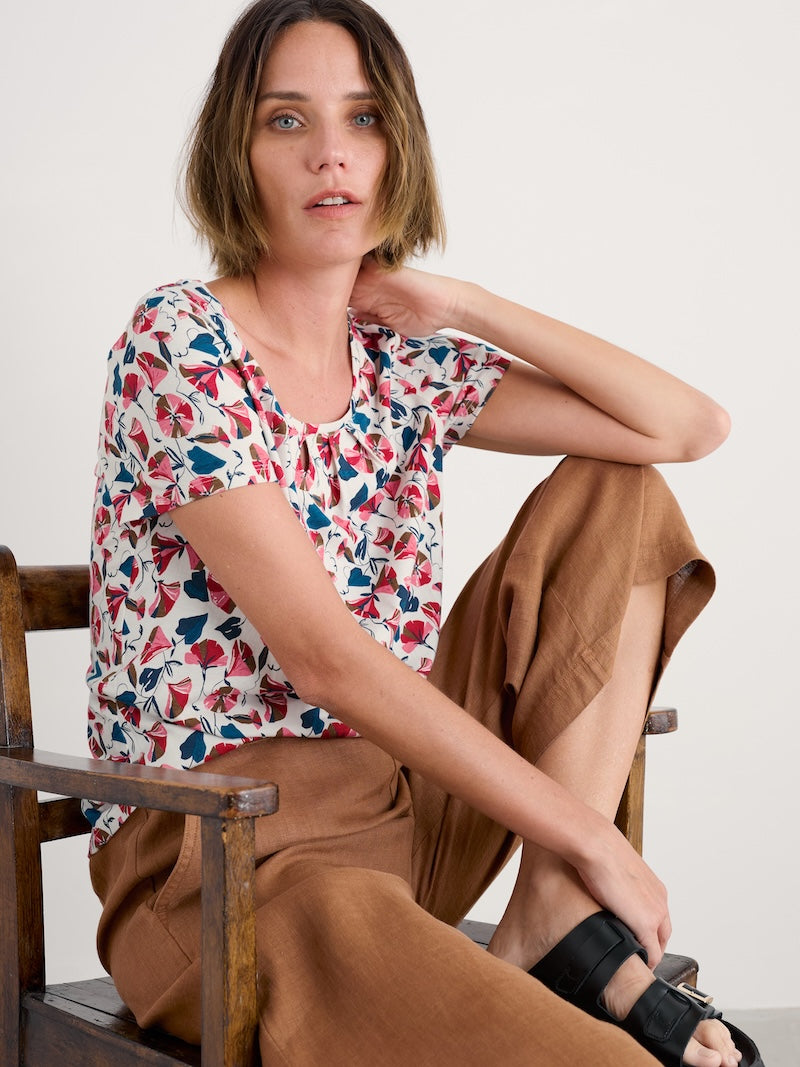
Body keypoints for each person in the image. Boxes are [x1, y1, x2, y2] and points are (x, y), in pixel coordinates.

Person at [84, 1, 755, 1064]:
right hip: (232, 859)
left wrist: (464, 302)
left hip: (404, 812)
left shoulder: (403, 359)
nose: (331, 156)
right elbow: (321, 655)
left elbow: (682, 427)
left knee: (617, 491)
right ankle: (558, 905)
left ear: (399, 145)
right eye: (287, 121)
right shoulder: (178, 345)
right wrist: (582, 831)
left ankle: (549, 918)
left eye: (362, 119)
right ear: (236, 149)